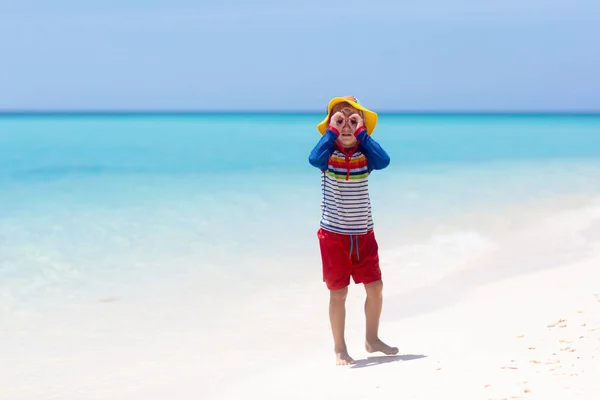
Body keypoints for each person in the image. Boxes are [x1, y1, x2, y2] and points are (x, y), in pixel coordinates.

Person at [308, 96, 398, 366]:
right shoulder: (328, 156)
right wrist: (332, 131)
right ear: (331, 127)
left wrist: (362, 133)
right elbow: (313, 159)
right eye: (340, 121)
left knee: (376, 287)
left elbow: (384, 161)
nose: (346, 127)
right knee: (339, 292)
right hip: (333, 236)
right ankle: (340, 348)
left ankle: (372, 339)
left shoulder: (364, 155)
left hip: (363, 235)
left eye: (352, 122)